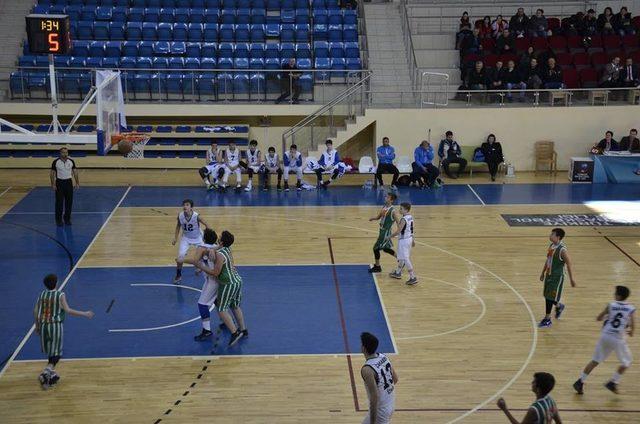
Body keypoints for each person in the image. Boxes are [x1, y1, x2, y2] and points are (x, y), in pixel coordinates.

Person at [186, 230, 247, 347]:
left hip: (222, 282)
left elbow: (213, 271)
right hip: (236, 280)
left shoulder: (212, 250)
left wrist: (183, 261)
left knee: (208, 305)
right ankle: (241, 328)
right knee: (231, 305)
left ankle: (211, 331)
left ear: (222, 241)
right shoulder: (224, 249)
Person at [34, 274, 94, 389]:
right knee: (57, 353)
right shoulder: (60, 294)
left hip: (43, 326)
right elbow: (68, 310)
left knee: (51, 352)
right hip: (55, 326)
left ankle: (50, 373)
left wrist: (37, 326)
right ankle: (46, 373)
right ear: (56, 283)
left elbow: (36, 311)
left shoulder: (42, 294)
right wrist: (84, 313)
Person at [574, 285, 635, 395]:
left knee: (595, 360)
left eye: (615, 293)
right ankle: (613, 382)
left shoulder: (611, 305)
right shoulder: (630, 308)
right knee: (627, 361)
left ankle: (580, 381)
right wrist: (631, 331)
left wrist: (606, 318)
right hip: (618, 339)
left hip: (605, 336)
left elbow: (598, 318)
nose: (614, 294)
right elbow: (633, 326)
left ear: (619, 296)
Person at [184, 228, 219, 341]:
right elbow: (207, 260)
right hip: (217, 279)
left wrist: (181, 260)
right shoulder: (216, 247)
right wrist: (201, 269)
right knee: (217, 301)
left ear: (204, 238)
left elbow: (195, 261)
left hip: (212, 280)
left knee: (202, 304)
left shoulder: (203, 247)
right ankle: (227, 321)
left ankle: (207, 330)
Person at [538, 228, 577, 328]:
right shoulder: (552, 246)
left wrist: (572, 279)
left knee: (549, 297)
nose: (550, 235)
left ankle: (547, 319)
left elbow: (569, 264)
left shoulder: (562, 250)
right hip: (549, 275)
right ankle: (559, 306)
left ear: (558, 237)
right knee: (547, 295)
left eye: (552, 234)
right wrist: (543, 272)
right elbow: (548, 260)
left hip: (557, 277)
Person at [360, 332, 398, 424]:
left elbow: (374, 398)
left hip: (380, 411)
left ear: (364, 348)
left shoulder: (367, 369)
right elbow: (395, 379)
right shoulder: (383, 357)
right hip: (390, 403)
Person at [497, 372, 562, 424]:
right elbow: (559, 422)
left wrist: (505, 409)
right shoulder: (551, 400)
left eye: (534, 382)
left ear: (538, 389)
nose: (532, 383)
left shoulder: (534, 410)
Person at [172, 199, 210, 284]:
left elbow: (207, 225)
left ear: (191, 207)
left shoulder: (197, 216)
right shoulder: (180, 215)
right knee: (180, 257)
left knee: (205, 254)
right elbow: (178, 226)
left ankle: (204, 270)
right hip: (186, 238)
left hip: (198, 238)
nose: (185, 206)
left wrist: (206, 236)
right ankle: (178, 275)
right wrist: (175, 238)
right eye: (184, 205)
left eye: (187, 205)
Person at [368, 192, 398, 273]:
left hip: (385, 232)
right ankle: (401, 260)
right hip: (381, 230)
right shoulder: (384, 207)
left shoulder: (393, 211)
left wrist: (399, 231)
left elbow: (398, 222)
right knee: (386, 249)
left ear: (391, 200)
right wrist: (373, 218)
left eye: (388, 197)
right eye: (386, 196)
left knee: (375, 248)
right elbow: (379, 217)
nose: (386, 198)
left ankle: (378, 267)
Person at [389, 202, 417, 285]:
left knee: (405, 258)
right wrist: (413, 239)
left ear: (406, 210)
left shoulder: (403, 219)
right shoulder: (410, 217)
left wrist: (390, 236)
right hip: (409, 239)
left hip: (404, 241)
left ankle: (413, 277)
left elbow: (398, 231)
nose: (399, 210)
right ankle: (398, 272)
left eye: (401, 208)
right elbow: (411, 229)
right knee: (401, 256)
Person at [50, 147, 79, 227]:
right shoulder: (55, 162)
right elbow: (52, 173)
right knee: (59, 203)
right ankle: (58, 220)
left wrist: (77, 183)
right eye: (63, 152)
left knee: (69, 202)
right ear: (60, 153)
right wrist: (53, 184)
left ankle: (67, 219)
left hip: (69, 183)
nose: (65, 154)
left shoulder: (71, 161)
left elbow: (75, 172)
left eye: (66, 152)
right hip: (59, 183)